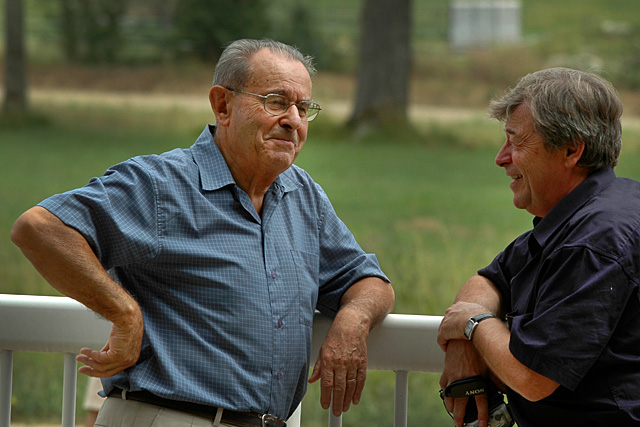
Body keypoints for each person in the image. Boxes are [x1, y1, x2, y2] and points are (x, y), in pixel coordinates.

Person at [11, 38, 394, 426]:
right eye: (276, 101)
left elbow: (369, 281)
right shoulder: (162, 185)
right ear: (222, 105)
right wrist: (124, 313)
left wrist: (352, 322)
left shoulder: (301, 195)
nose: (293, 120)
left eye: (303, 108)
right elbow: (40, 228)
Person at [437, 67, 640, 427]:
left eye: (516, 141)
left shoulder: (593, 241)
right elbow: (488, 281)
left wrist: (473, 325)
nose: (501, 158)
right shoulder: (587, 213)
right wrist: (463, 344)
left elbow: (534, 377)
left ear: (571, 149)